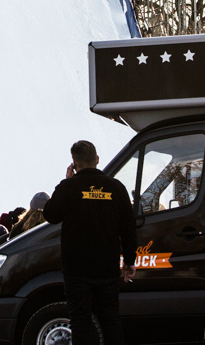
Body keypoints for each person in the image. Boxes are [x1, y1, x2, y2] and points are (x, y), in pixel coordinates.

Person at [43, 140, 137, 345]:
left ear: (74, 164)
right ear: (97, 159)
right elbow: (128, 227)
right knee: (110, 318)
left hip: (77, 268)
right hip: (107, 267)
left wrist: (65, 182)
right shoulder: (116, 188)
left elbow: (51, 215)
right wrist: (129, 260)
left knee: (81, 319)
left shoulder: (69, 187)